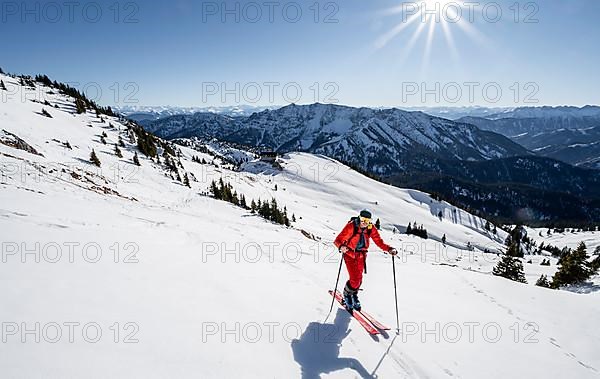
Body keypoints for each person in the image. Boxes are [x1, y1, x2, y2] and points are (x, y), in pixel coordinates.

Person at [333, 209, 397, 311]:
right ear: (359, 217)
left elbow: (378, 241)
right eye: (363, 219)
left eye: (367, 221)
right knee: (354, 279)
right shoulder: (351, 226)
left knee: (359, 280)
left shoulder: (371, 228)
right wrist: (341, 247)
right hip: (350, 254)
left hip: (362, 256)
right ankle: (347, 295)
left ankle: (354, 295)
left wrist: (389, 249)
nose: (364, 223)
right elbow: (338, 240)